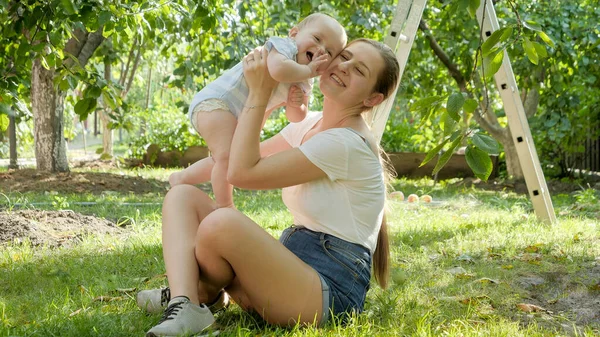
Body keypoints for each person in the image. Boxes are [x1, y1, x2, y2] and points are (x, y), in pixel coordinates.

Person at [139, 38, 400, 337]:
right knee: (182, 197)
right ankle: (186, 302)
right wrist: (183, 177)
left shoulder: (345, 143)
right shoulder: (310, 124)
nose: (343, 67)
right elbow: (237, 156)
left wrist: (260, 90)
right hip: (288, 273)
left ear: (372, 99)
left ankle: (202, 290)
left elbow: (242, 173)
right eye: (345, 56)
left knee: (222, 223)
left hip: (328, 293)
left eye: (359, 70)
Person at [168, 13, 347, 209]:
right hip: (218, 103)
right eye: (317, 39)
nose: (321, 49)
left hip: (241, 114)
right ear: (294, 34)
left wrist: (296, 104)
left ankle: (180, 178)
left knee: (228, 157)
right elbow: (278, 70)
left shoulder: (305, 79)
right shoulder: (284, 48)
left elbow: (296, 117)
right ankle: (225, 206)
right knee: (227, 158)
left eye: (329, 52)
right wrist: (309, 70)